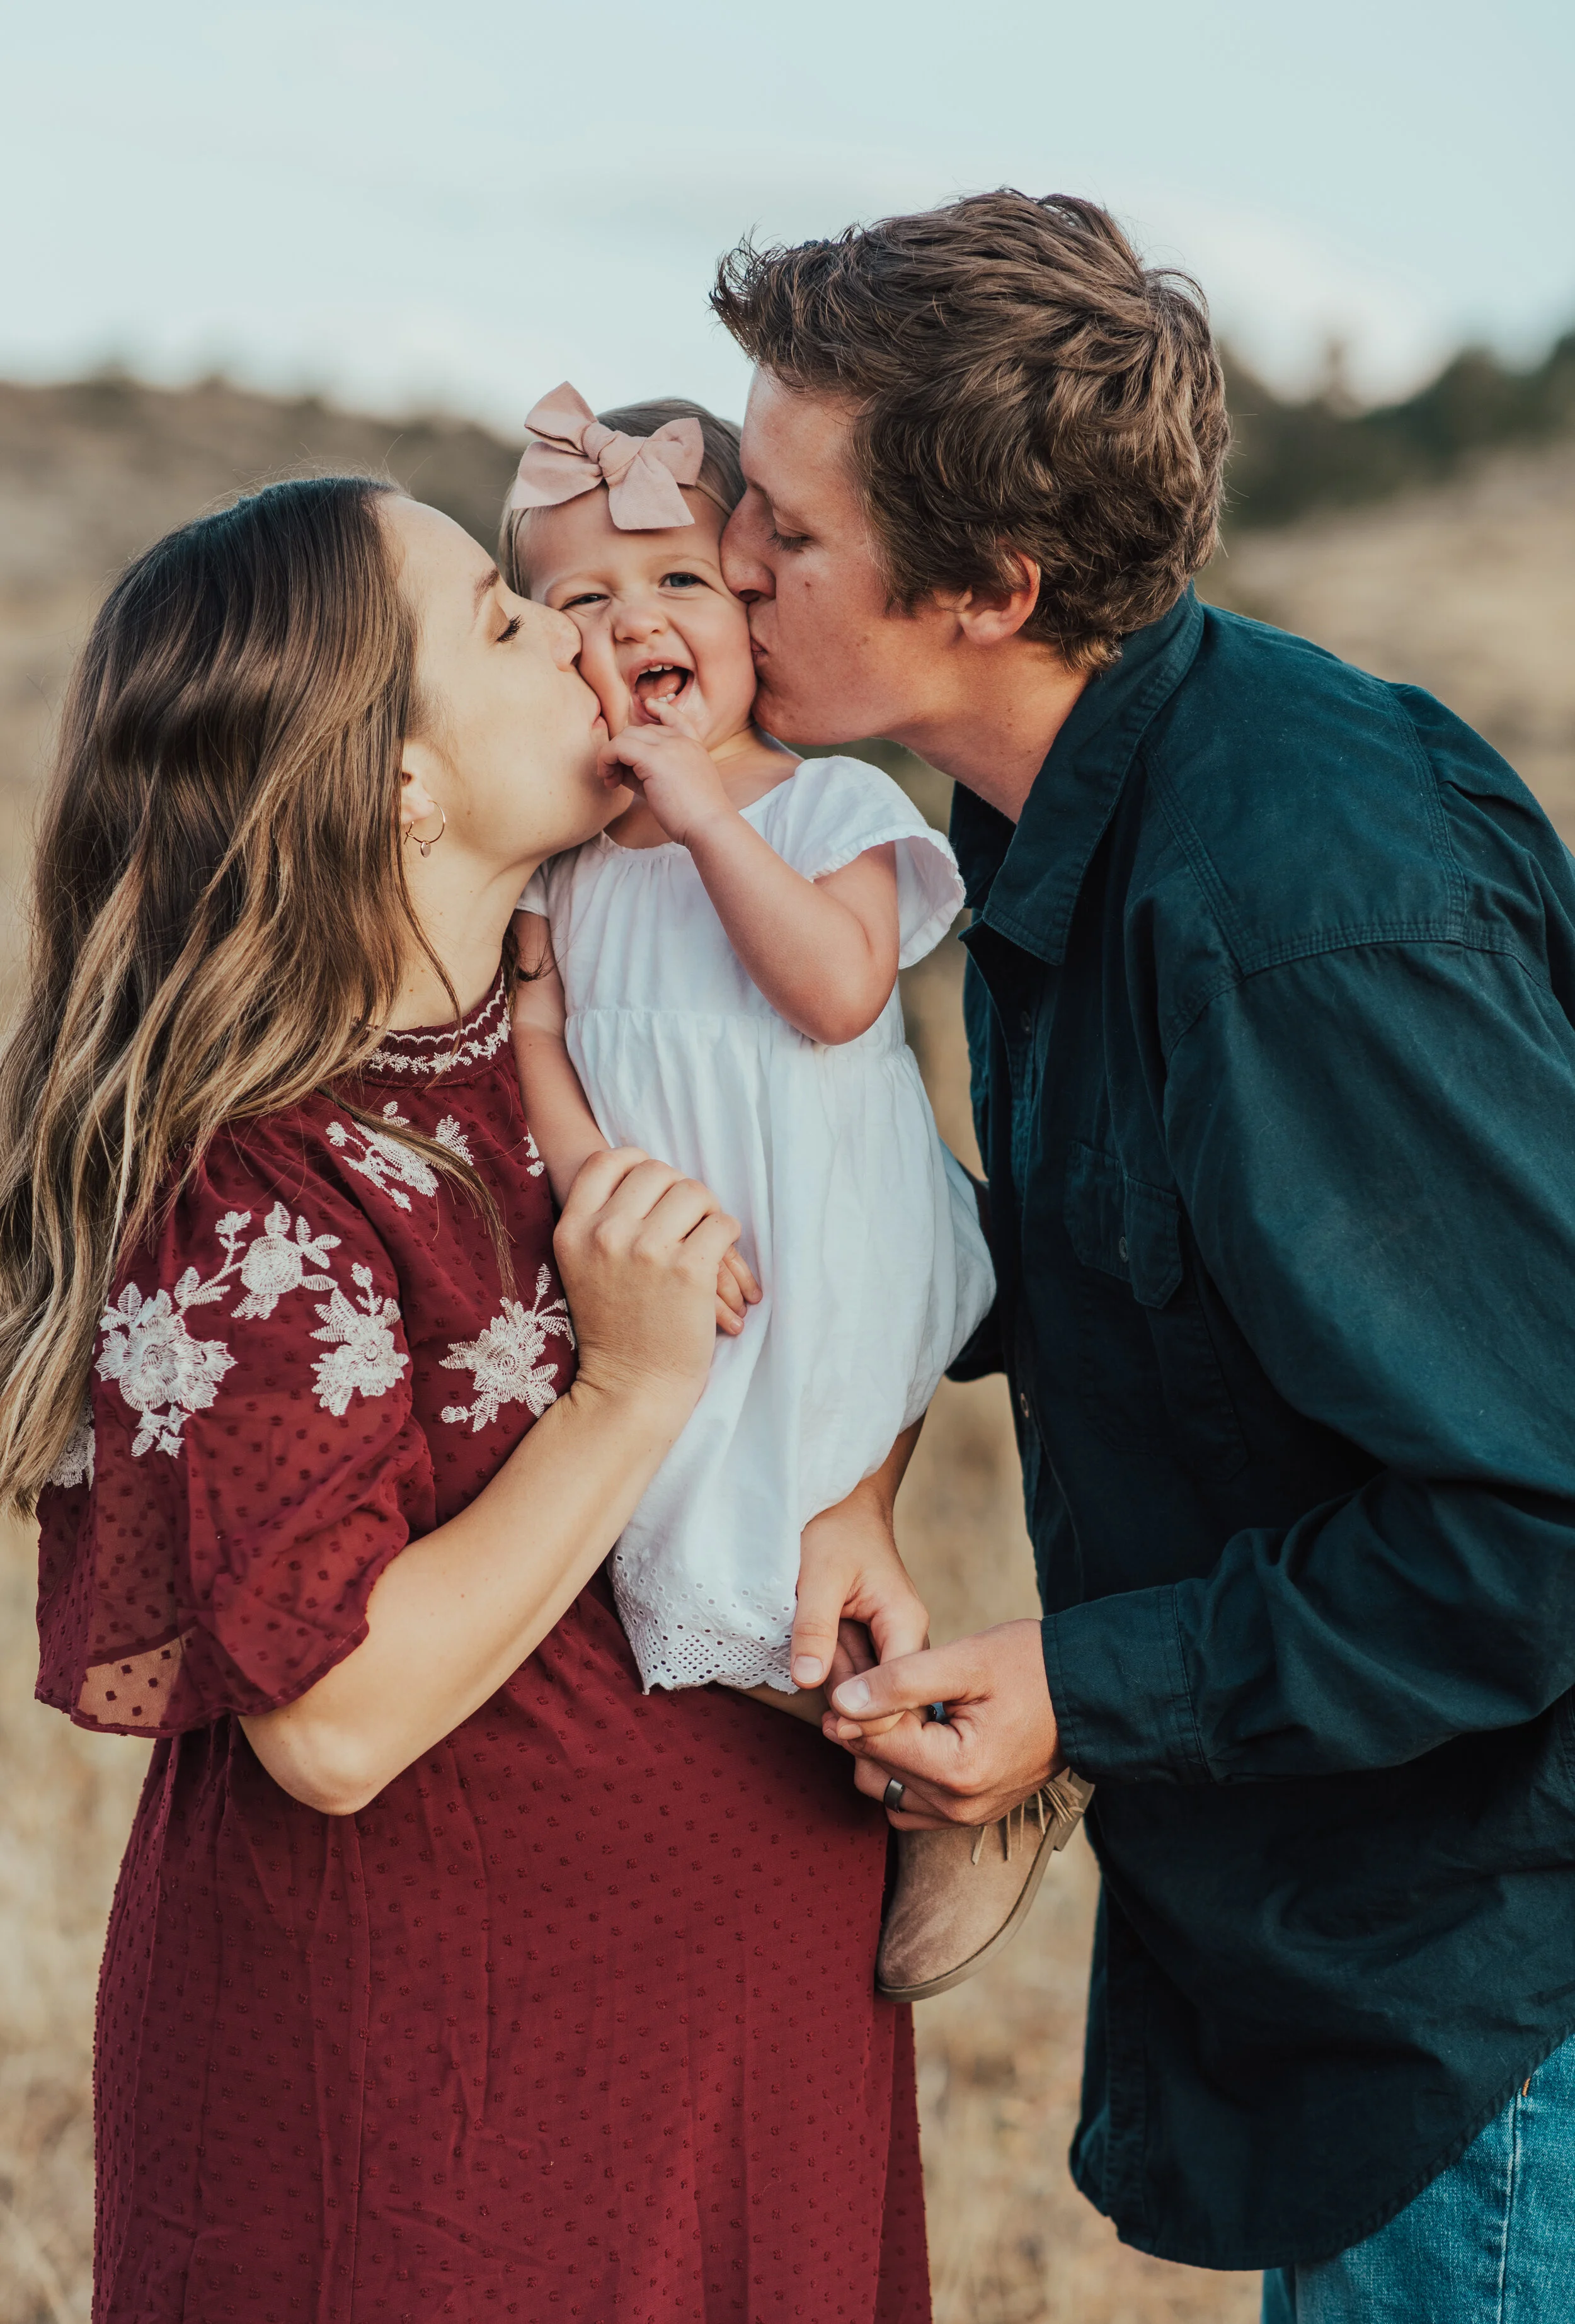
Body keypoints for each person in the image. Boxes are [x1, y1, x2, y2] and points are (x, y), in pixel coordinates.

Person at [709, 188, 1575, 2321]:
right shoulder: (1058, 812)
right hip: (1359, 1953)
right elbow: (1160, 1268)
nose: (728, 560)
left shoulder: (1299, 907)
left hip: (1494, 1997)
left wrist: (1080, 1689)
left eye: (785, 532)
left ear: (990, 587)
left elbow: (1535, 1525)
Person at [0, 476, 932, 2321]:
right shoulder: (255, 1184)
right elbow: (332, 1724)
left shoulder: (604, 1044)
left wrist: (858, 1500)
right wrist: (630, 1387)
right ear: (397, 782)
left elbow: (874, 1252)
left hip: (751, 2014)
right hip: (436, 2085)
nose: (583, 639)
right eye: (507, 622)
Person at [500, 381, 994, 1706]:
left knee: (803, 1549)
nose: (635, 620)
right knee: (669, 1546)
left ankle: (910, 1745)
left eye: (679, 578)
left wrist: (707, 818)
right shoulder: (565, 859)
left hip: (822, 1246)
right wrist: (599, 1184)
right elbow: (535, 1029)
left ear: (751, 607)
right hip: (667, 1246)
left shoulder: (828, 803)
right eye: (582, 602)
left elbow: (836, 995)